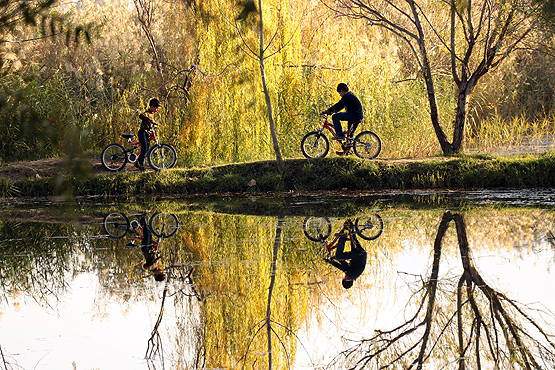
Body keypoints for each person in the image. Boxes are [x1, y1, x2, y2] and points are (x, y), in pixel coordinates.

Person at [324, 219, 367, 289]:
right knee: (339, 256)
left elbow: (345, 265)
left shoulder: (354, 274)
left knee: (353, 238)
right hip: (358, 256)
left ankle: (351, 227)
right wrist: (332, 262)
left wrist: (333, 259)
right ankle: (342, 238)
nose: (344, 276)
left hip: (361, 254)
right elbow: (342, 267)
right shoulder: (351, 275)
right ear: (347, 280)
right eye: (344, 278)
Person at [136, 98, 161, 171]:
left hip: (148, 133)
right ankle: (141, 166)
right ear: (152, 106)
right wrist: (149, 120)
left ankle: (137, 162)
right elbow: (141, 116)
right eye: (156, 108)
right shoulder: (148, 113)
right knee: (145, 148)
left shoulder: (152, 114)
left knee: (145, 148)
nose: (157, 110)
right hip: (144, 132)